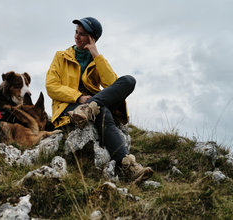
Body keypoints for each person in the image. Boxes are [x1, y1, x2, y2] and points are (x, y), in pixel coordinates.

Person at [45, 17, 153, 183]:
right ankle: (130, 168)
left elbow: (112, 83)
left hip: (92, 106)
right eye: (76, 32)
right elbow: (51, 86)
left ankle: (90, 108)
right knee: (103, 111)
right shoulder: (60, 56)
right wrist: (79, 97)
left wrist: (95, 53)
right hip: (68, 107)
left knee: (129, 80)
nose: (77, 37)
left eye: (82, 34)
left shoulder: (96, 60)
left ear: (92, 38)